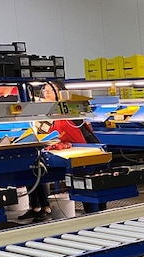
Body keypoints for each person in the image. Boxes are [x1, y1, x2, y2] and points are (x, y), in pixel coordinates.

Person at [18, 80, 98, 222]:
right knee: (81, 184)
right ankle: (90, 214)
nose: (46, 92)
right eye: (45, 89)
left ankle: (93, 215)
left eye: (50, 89)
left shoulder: (66, 109)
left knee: (86, 184)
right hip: (72, 150)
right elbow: (54, 134)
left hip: (84, 150)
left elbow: (75, 132)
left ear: (60, 92)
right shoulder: (48, 109)